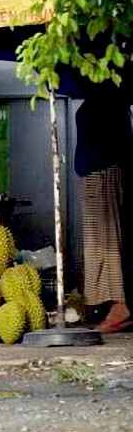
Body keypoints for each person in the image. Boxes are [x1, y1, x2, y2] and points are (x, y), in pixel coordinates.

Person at [75, 88, 133, 333]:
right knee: (98, 243)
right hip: (96, 173)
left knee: (107, 242)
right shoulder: (102, 102)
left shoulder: (110, 102)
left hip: (103, 172)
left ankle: (121, 305)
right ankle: (114, 304)